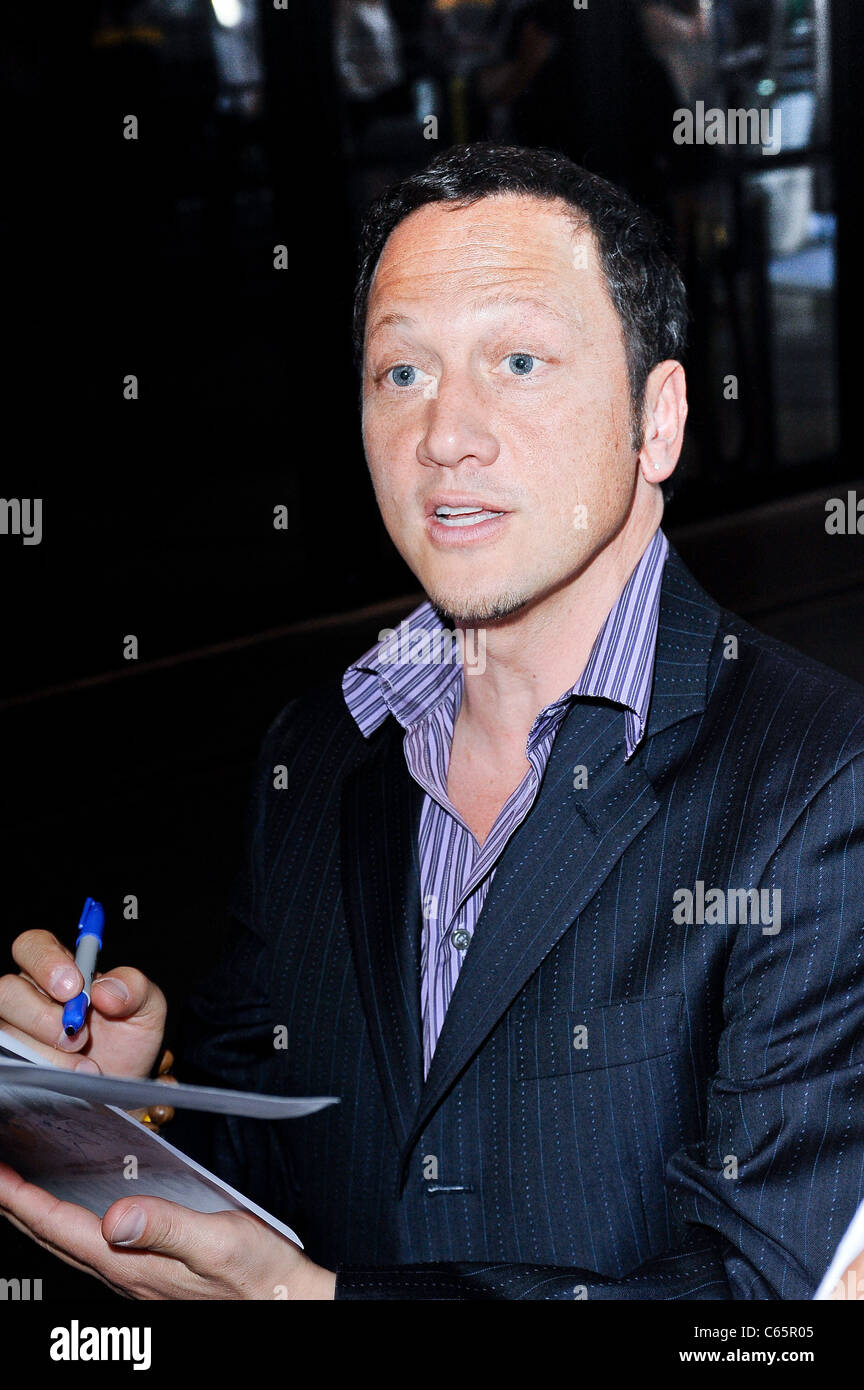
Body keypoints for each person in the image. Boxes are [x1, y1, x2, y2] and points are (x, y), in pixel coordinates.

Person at [2, 143, 864, 1300]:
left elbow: (762, 1301)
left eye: (517, 360)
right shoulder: (314, 752)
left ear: (658, 422)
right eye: (400, 372)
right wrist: (129, 1117)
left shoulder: (817, 784)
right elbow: (287, 1178)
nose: (446, 432)